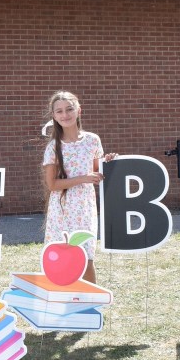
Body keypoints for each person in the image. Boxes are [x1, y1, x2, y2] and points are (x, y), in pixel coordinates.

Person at [42, 91, 116, 284]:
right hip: (62, 210)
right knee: (62, 260)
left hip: (85, 207)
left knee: (86, 258)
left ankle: (91, 299)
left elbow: (96, 172)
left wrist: (107, 161)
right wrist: (83, 178)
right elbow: (52, 184)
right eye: (59, 111)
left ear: (79, 110)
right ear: (54, 116)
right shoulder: (53, 147)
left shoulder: (92, 140)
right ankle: (63, 299)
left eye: (69, 109)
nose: (65, 115)